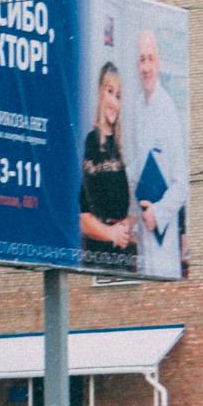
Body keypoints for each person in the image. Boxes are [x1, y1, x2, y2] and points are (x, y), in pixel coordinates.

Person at [125, 29, 189, 280]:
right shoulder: (140, 105)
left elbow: (182, 183)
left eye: (150, 59)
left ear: (159, 63)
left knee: (160, 281)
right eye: (142, 60)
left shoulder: (168, 110)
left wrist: (159, 213)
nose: (146, 67)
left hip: (162, 228)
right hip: (142, 220)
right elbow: (142, 163)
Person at [79, 60, 135, 273]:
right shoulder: (91, 143)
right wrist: (111, 233)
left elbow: (126, 206)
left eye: (118, 96)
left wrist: (128, 224)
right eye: (110, 92)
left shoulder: (119, 146)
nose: (114, 101)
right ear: (100, 94)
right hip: (99, 257)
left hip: (123, 257)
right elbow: (83, 216)